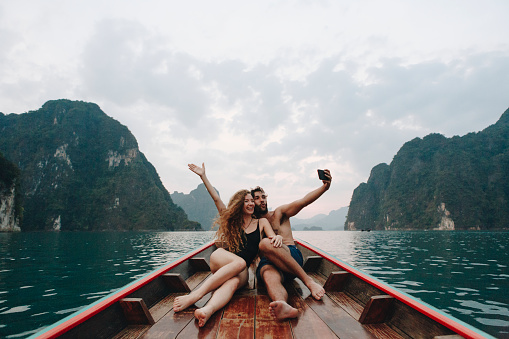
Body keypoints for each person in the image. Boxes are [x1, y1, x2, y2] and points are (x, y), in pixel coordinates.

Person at [173, 164, 283, 327]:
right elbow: (216, 199)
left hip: (241, 270)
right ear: (240, 204)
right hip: (221, 259)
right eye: (246, 201)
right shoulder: (233, 220)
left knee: (232, 283)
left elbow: (273, 238)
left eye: (252, 200)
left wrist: (278, 237)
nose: (251, 203)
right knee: (239, 262)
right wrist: (203, 176)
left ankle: (207, 310)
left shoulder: (262, 222)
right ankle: (196, 296)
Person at [252, 169, 332, 320]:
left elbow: (303, 201)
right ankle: (282, 305)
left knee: (264, 244)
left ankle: (308, 281)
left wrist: (324, 187)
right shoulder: (252, 224)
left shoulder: (279, 213)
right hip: (269, 264)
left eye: (263, 197)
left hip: (290, 256)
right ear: (251, 202)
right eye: (257, 198)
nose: (262, 200)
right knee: (269, 275)